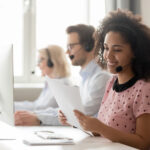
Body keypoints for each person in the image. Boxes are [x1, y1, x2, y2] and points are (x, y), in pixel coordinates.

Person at [68, 10, 150, 149]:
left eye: (117, 50)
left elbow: (144, 142)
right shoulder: (112, 82)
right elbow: (104, 130)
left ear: (135, 52)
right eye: (106, 48)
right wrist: (78, 121)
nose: (108, 56)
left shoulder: (144, 88)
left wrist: (100, 128)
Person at [59, 24, 110, 125]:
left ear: (88, 46)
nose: (67, 52)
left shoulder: (101, 77)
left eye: (71, 46)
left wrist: (40, 118)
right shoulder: (84, 78)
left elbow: (79, 113)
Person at [15, 45, 71, 126]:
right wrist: (11, 105)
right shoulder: (50, 82)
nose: (38, 65)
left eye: (40, 60)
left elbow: (41, 108)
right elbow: (36, 105)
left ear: (51, 61)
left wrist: (13, 107)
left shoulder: (63, 84)